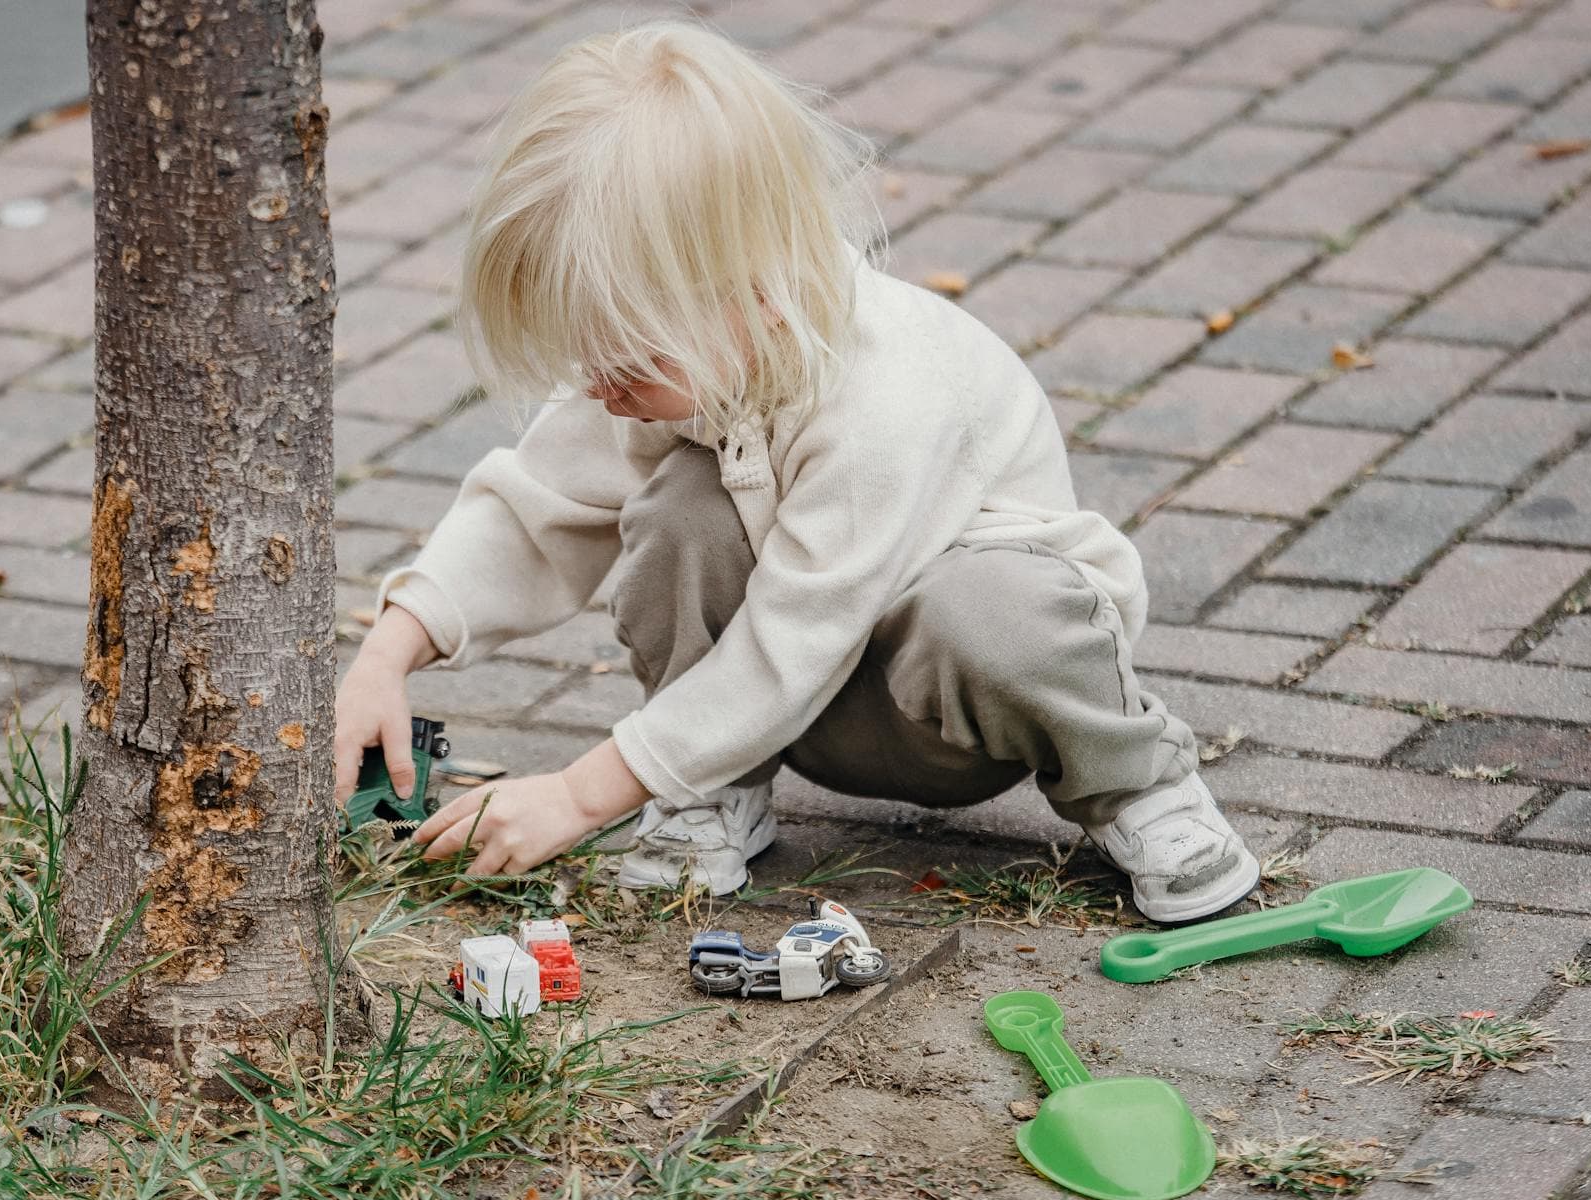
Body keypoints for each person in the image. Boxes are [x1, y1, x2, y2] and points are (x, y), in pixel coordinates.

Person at [332, 21, 1259, 923]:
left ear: (756, 296)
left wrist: (580, 796)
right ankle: (713, 789)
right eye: (589, 359)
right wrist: (387, 654)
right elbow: (534, 508)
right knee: (681, 513)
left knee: (989, 610)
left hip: (955, 709)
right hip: (797, 714)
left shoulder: (888, 390)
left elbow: (796, 638)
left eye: (626, 359)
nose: (602, 389)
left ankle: (1138, 784)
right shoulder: (675, 364)